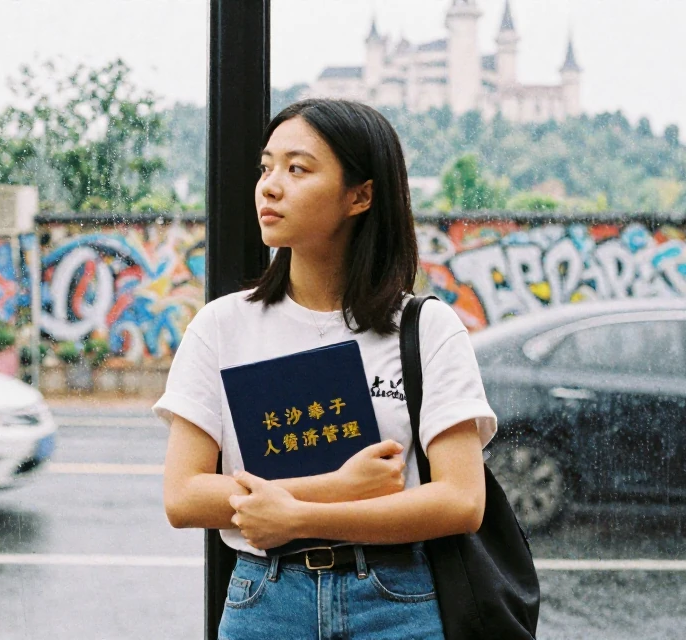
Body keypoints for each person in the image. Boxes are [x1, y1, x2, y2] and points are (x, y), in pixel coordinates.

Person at [154, 99, 497, 640]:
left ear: (360, 196)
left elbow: (462, 501)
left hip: (395, 602)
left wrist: (300, 518)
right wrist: (335, 488)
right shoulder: (222, 326)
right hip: (265, 602)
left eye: (297, 169)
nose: (269, 187)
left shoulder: (425, 327)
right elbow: (184, 496)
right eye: (266, 168)